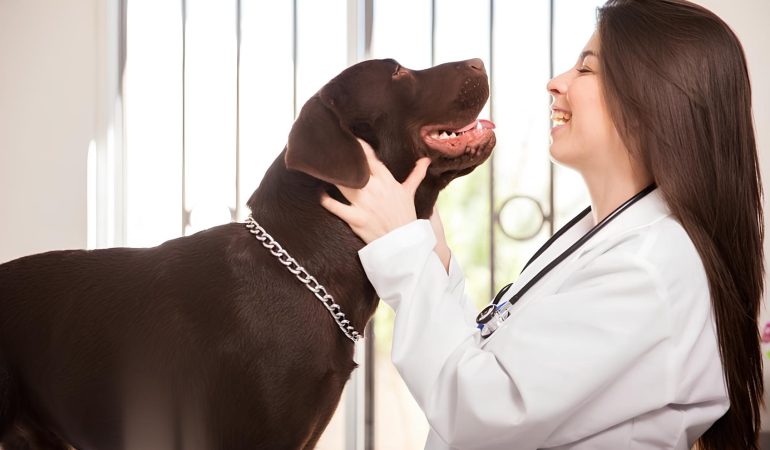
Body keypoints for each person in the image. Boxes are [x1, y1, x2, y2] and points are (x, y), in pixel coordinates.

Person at [320, 0, 764, 448]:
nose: (556, 83)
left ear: (652, 99)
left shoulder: (650, 269)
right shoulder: (607, 238)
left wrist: (407, 259)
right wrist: (433, 253)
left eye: (586, 70)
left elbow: (484, 413)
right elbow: (491, 362)